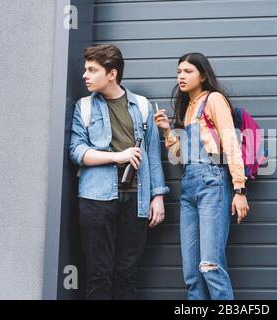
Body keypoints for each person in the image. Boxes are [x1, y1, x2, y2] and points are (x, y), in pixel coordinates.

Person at [69, 44, 169, 299]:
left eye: (92, 70)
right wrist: (117, 156)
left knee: (127, 273)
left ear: (111, 73)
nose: (85, 75)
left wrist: (157, 196)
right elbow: (77, 152)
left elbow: (152, 155)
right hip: (95, 198)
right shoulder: (84, 107)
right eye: (86, 69)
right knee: (98, 273)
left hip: (136, 199)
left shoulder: (143, 106)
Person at [154, 52, 249, 300]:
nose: (181, 77)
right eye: (178, 72)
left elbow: (230, 144)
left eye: (188, 71)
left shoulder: (214, 100)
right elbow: (180, 155)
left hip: (212, 184)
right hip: (189, 188)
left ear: (202, 76)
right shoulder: (187, 110)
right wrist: (167, 131)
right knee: (192, 275)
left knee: (211, 267)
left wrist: (239, 190)